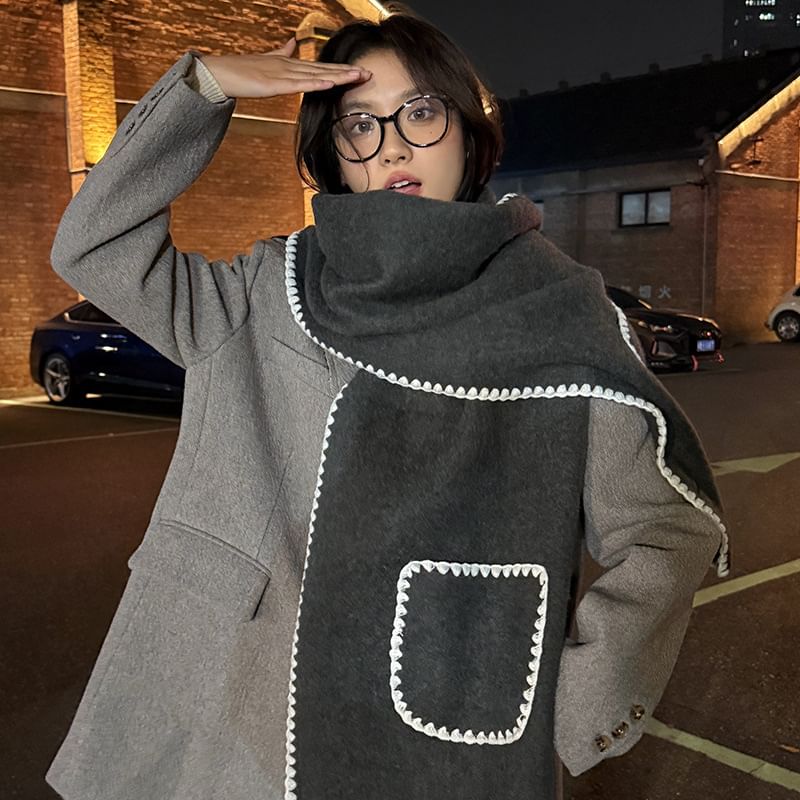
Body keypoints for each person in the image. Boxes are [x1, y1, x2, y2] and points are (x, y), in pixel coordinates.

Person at [45, 8, 729, 800]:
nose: (393, 146)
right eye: (360, 124)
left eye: (421, 112)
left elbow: (665, 529)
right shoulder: (268, 290)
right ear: (334, 157)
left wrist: (580, 699)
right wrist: (203, 88)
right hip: (242, 710)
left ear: (468, 131)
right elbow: (95, 246)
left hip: (441, 733)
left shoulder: (560, 316)